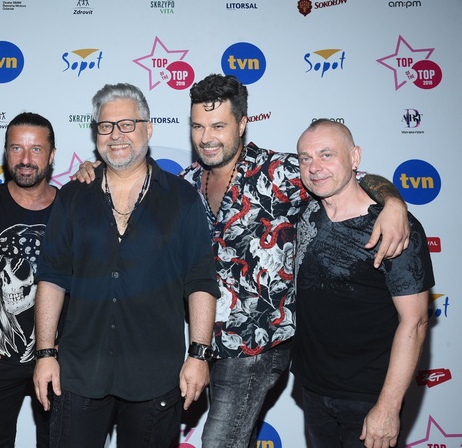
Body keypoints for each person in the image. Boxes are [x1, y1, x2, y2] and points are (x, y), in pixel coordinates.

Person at [72, 73, 410, 448]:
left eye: (218, 126)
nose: (206, 137)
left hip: (258, 346)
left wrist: (393, 202)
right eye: (198, 126)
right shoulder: (186, 184)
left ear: (242, 124)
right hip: (206, 345)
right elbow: (132, 185)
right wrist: (97, 170)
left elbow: (353, 179)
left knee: (220, 441)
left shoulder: (280, 173)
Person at [32, 83, 221, 448]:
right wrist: (44, 353)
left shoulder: (181, 198)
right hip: (79, 374)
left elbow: (200, 280)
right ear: (96, 134)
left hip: (155, 377)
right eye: (106, 126)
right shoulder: (73, 196)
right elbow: (52, 278)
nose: (115, 135)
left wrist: (199, 354)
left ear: (148, 129)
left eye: (127, 124)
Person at [292, 119, 434, 448]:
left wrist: (388, 407)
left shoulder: (394, 229)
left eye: (327, 154)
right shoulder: (305, 211)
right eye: (305, 158)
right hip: (313, 388)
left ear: (355, 157)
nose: (314, 167)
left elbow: (415, 322)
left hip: (368, 396)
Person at [0, 112, 58, 447]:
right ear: (6, 152)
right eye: (16, 148)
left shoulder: (71, 208)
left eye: (36, 149)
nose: (25, 159)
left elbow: (89, 282)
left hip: (57, 360)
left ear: (51, 155)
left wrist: (71, 345)